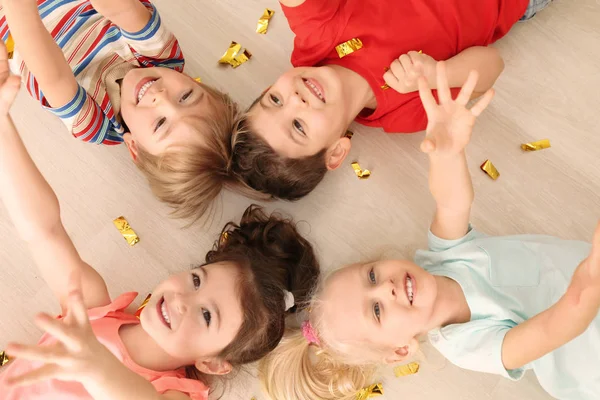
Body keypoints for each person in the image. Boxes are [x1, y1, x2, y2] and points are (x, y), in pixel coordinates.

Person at [259, 63, 600, 400]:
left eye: (373, 276)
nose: (387, 290)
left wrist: (447, 152)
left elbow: (451, 201)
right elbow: (550, 331)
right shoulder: (466, 345)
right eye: (376, 311)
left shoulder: (443, 259)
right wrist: (585, 286)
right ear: (401, 350)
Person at [0, 41, 320, 399]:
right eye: (196, 280)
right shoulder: (91, 311)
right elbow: (44, 231)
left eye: (207, 317)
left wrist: (99, 369)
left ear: (213, 363)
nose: (184, 299)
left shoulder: (171, 392)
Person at [230, 0, 554, 200]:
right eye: (298, 126)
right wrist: (439, 72)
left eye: (274, 99)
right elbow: (492, 65)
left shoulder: (318, 39)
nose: (295, 99)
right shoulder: (405, 114)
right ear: (337, 151)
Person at [0, 0, 242, 223]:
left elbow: (52, 75)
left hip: (15, 22)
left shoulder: (94, 123)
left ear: (134, 146)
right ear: (194, 81)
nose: (161, 98)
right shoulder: (163, 54)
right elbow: (119, 8)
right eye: (186, 96)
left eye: (160, 124)